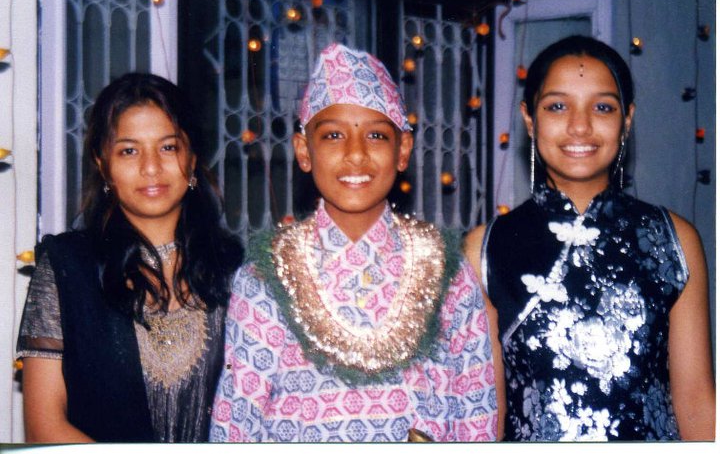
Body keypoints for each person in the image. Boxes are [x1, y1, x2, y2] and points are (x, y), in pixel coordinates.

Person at [210, 43, 498, 442]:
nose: (356, 154)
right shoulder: (265, 276)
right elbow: (237, 421)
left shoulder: (446, 271)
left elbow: (475, 412)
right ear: (303, 151)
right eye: (333, 135)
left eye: (376, 135)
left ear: (403, 150)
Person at [464, 35, 715, 441]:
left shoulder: (674, 240)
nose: (579, 126)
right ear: (529, 119)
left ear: (627, 120)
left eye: (602, 107)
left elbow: (697, 403)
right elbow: (486, 417)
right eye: (557, 106)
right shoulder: (486, 249)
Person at [16, 73, 243, 442]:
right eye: (129, 151)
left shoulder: (237, 271)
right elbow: (45, 428)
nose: (150, 167)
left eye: (168, 147)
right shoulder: (65, 268)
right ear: (103, 164)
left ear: (192, 158)